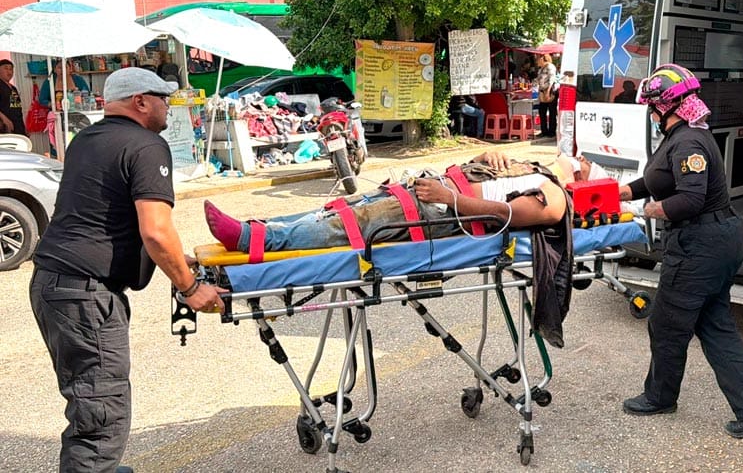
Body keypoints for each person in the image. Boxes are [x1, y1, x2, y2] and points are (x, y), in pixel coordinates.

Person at [29, 67, 228, 472]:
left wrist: (173, 261)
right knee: (101, 415)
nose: (169, 110)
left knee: (88, 398)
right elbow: (155, 230)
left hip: (52, 283)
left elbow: (103, 215)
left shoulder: (86, 138)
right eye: (164, 99)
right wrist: (190, 287)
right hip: (85, 295)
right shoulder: (145, 144)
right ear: (140, 101)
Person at [206, 149, 582, 347]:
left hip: (439, 212)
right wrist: (487, 158)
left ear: (578, 177)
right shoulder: (535, 170)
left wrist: (448, 198)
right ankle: (258, 230)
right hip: (436, 193)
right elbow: (490, 178)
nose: (579, 157)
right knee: (340, 211)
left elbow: (504, 214)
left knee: (351, 225)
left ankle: (256, 240)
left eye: (581, 161)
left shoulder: (556, 196)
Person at [618, 63, 743, 438]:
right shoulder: (680, 136)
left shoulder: (688, 141)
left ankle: (659, 397)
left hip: (701, 244)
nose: (651, 113)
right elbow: (656, 179)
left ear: (668, 107)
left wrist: (648, 209)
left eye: (653, 107)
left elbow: (690, 199)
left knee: (668, 323)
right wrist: (620, 192)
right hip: (716, 240)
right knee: (714, 323)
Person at [0, 59, 27, 135]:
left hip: (17, 125)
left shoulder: (13, 88)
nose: (9, 71)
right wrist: (4, 119)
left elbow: (17, 107)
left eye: (11, 69)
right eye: (6, 68)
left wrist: (23, 127)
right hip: (5, 126)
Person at [535, 54, 559, 137]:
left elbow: (552, 79)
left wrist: (548, 91)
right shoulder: (541, 69)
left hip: (550, 91)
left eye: (538, 59)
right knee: (542, 111)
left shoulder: (550, 67)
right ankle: (544, 131)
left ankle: (552, 132)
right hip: (542, 91)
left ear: (543, 59)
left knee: (552, 112)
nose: (537, 61)